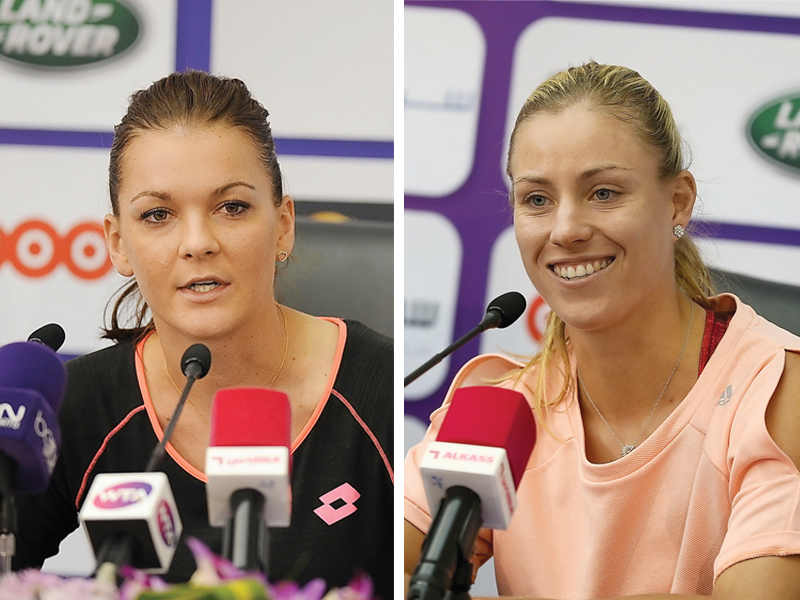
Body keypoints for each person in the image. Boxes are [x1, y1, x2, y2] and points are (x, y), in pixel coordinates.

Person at [404, 61, 800, 599]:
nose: (566, 230)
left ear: (678, 201)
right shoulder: (497, 408)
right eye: (537, 199)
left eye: (604, 193)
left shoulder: (777, 388)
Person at [13, 70, 393, 598]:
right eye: (158, 214)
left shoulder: (379, 388)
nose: (197, 242)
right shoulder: (77, 405)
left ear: (283, 224)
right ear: (118, 244)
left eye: (231, 207)